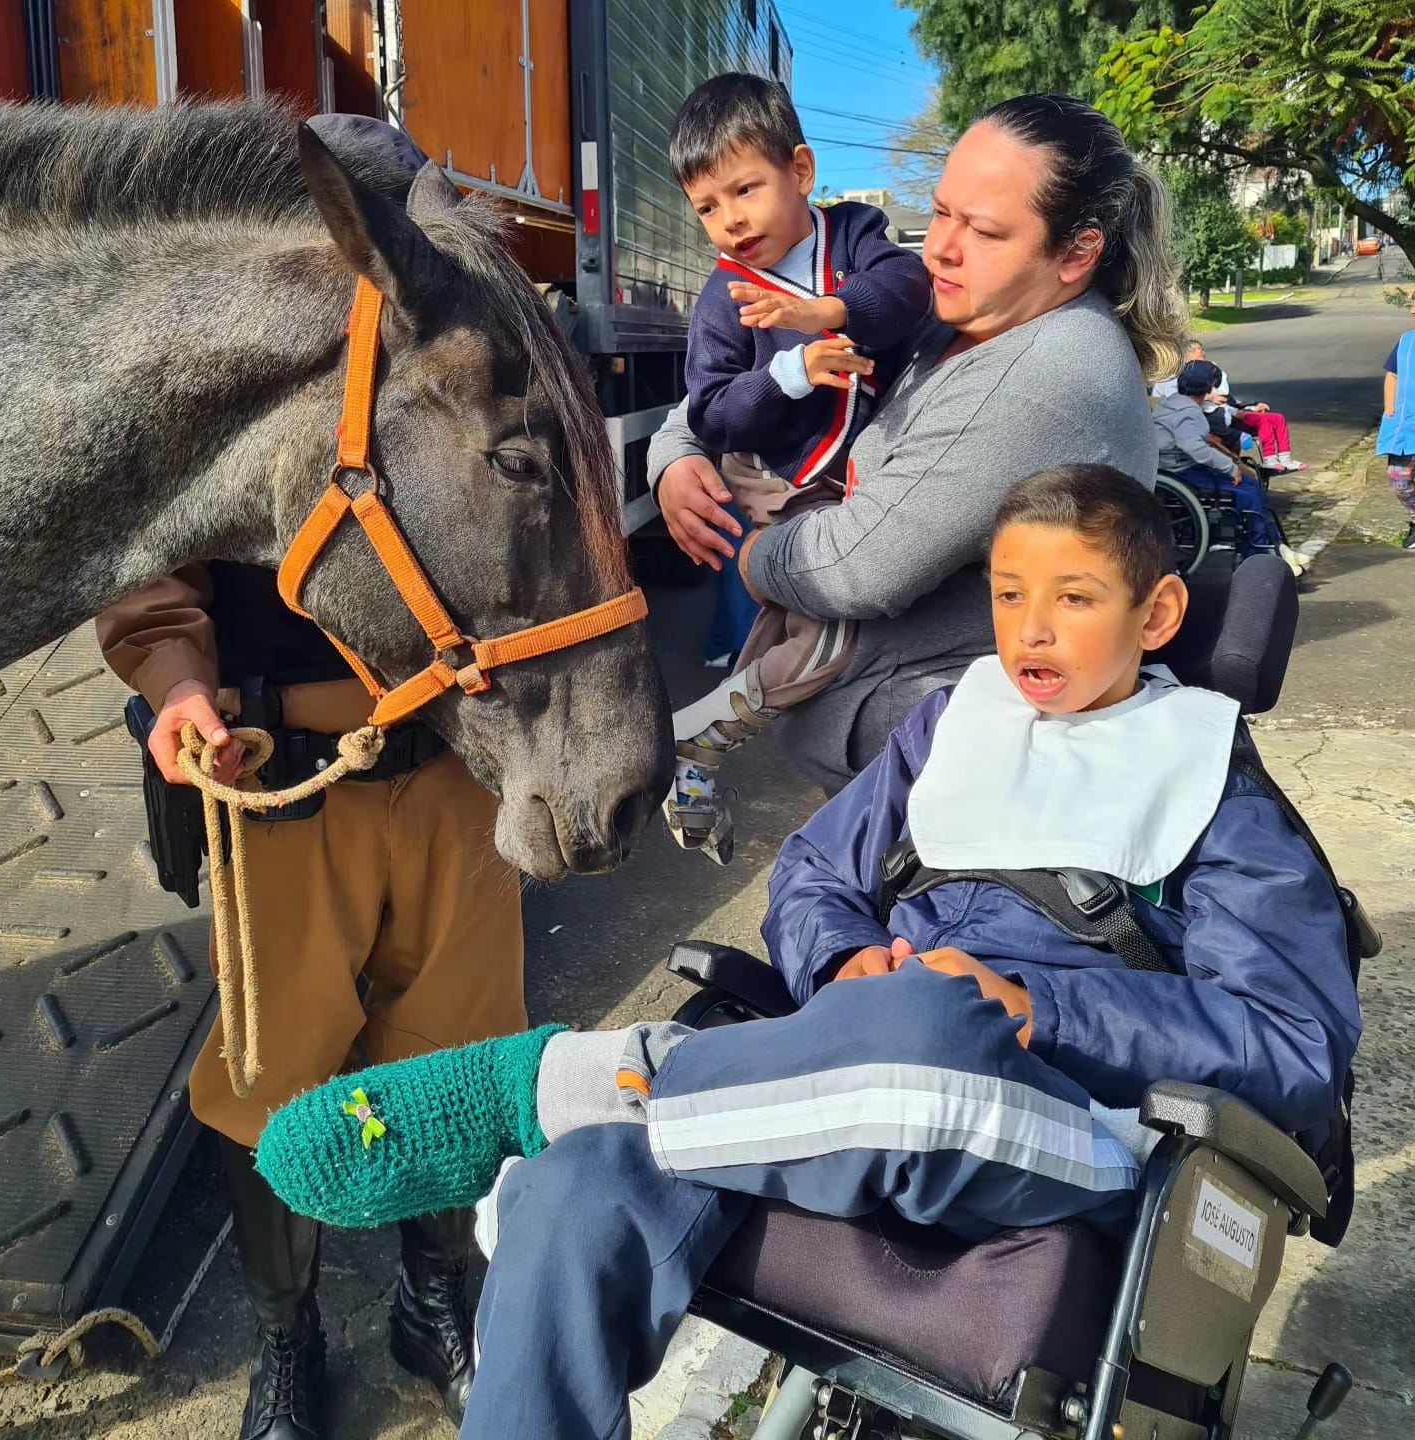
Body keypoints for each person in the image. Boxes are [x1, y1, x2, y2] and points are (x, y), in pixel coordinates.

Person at [254, 465, 1361, 1440]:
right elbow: (814, 879)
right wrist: (841, 965)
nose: (1030, 632)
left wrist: (1032, 1012)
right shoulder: (948, 730)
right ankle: (602, 1112)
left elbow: (1294, 1046)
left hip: (1061, 1125)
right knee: (576, 1190)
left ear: (1159, 611)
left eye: (1075, 600)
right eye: (1010, 596)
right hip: (858, 1073)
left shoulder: (1217, 792)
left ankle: (553, 1082)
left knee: (929, 1033)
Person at [95, 117, 522, 1440]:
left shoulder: (474, 358)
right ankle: (285, 1337)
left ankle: (432, 1300)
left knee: (450, 1054)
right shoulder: (218, 381)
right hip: (279, 769)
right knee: (278, 1073)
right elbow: (149, 573)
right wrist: (174, 689)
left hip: (457, 755)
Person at [649, 94, 1185, 798]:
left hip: (953, 786)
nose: (938, 249)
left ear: (1077, 252)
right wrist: (675, 459)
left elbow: (852, 568)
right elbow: (715, 396)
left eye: (985, 231)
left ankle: (705, 735)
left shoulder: (1040, 374)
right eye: (939, 213)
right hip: (891, 765)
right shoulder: (951, 312)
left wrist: (751, 557)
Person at [664, 73, 931, 862]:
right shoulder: (723, 298)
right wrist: (787, 372)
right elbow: (710, 410)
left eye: (745, 190)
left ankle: (704, 742)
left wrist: (826, 313)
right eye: (707, 207)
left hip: (849, 476)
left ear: (801, 172)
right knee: (830, 639)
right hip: (789, 482)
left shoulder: (851, 234)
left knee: (792, 631)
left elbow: (907, 285)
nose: (730, 220)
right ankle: (701, 735)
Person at [1152, 360, 1309, 574]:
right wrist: (1229, 467)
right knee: (1248, 489)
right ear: (1209, 387)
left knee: (1251, 483)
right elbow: (1194, 448)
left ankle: (1276, 544)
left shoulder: (1172, 403)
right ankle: (1260, 549)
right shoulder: (1189, 411)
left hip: (1173, 465)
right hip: (1181, 471)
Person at [1185, 339, 1308, 472]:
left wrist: (1252, 407)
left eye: (1201, 350)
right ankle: (1270, 460)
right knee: (1263, 420)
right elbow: (1192, 399)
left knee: (1278, 418)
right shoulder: (1187, 377)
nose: (1201, 353)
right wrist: (1211, 398)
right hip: (1216, 418)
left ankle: (1285, 459)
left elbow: (1227, 398)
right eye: (1196, 352)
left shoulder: (1212, 370)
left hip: (1230, 410)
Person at [1377, 295, 1415, 551]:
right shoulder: (1406, 340)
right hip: (1403, 425)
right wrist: (1389, 408)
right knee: (1399, 479)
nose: (1411, 309)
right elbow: (1392, 373)